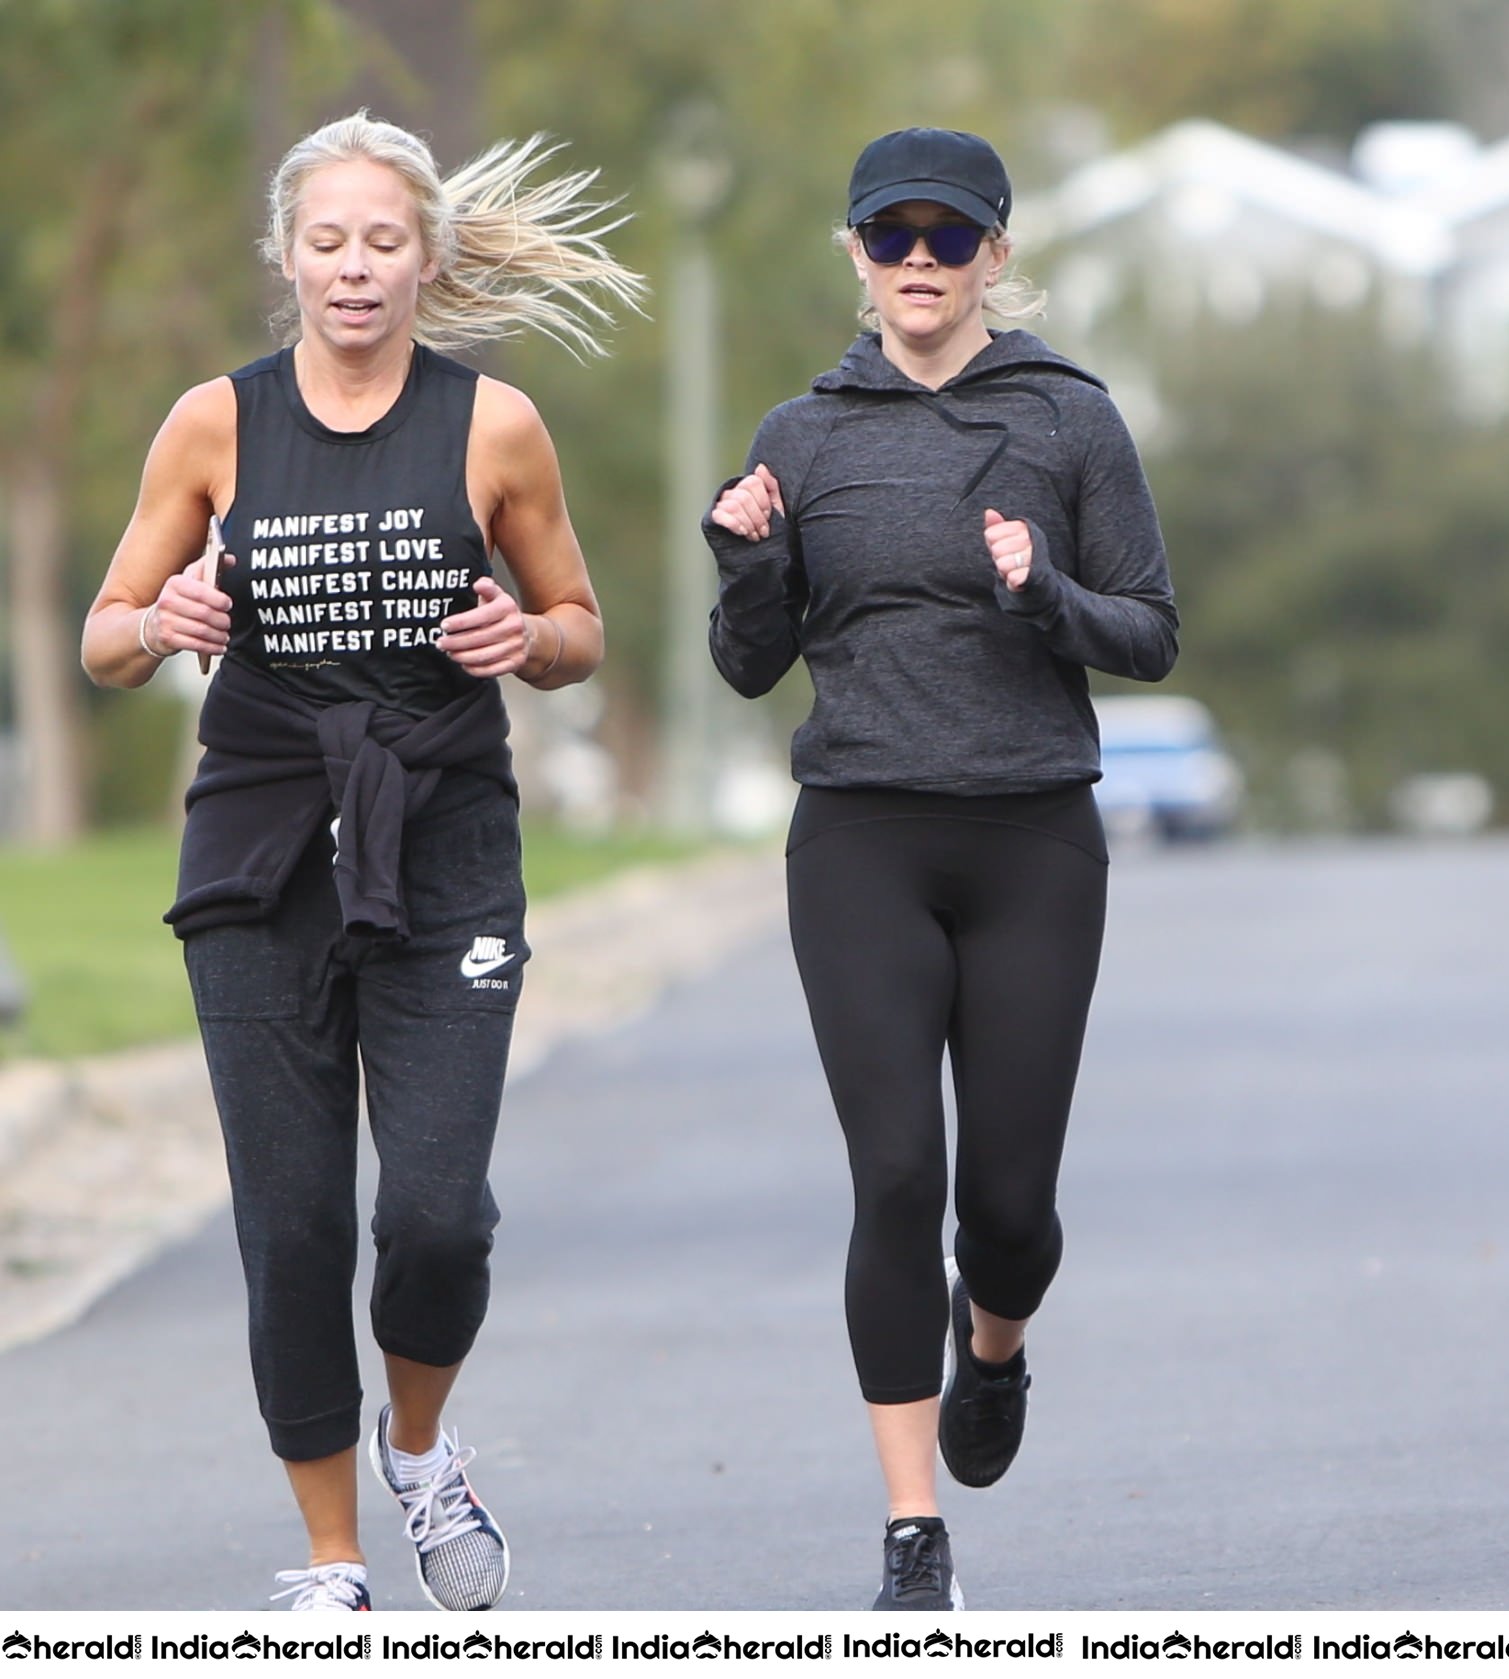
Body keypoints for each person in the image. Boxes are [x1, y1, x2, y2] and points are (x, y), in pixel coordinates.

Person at [82, 111, 642, 1612]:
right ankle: (332, 1561)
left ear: (428, 258)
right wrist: (161, 628)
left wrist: (529, 641)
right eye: (326, 241)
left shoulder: (494, 426)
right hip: (262, 850)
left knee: (437, 1214)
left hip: (445, 842)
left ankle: (419, 1449)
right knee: (294, 1225)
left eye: (383, 240)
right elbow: (104, 635)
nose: (353, 266)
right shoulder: (215, 423)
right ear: (286, 258)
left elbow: (581, 625)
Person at [704, 128, 1178, 1610]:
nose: (920, 262)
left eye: (949, 238)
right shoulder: (801, 433)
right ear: (854, 253)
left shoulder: (1071, 420)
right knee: (897, 1172)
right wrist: (746, 564)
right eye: (891, 237)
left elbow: (1152, 634)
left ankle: (998, 1342)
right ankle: (914, 1531)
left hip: (1031, 829)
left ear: (997, 252)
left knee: (1010, 1213)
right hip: (861, 835)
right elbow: (748, 667)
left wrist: (1047, 596)